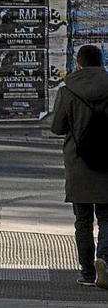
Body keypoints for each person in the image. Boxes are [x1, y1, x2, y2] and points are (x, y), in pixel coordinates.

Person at [51, 44, 108, 289]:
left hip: (78, 162)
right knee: (106, 217)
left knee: (82, 219)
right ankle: (104, 259)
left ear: (79, 64)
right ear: (102, 63)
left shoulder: (67, 91)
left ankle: (86, 272)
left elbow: (58, 128)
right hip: (107, 161)